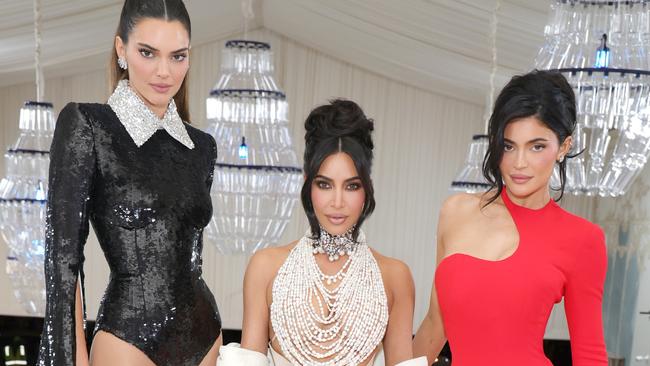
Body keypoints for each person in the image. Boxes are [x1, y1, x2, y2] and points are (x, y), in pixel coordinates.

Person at [37, 1, 222, 365]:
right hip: (128, 340)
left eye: (178, 56)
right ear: (121, 49)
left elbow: (191, 256)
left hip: (205, 336)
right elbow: (62, 258)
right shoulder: (89, 125)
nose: (164, 71)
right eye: (148, 53)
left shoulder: (202, 147)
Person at [413, 70, 608, 365]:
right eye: (508, 145)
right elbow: (434, 326)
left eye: (537, 146)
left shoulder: (583, 239)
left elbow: (589, 355)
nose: (519, 163)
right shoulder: (456, 212)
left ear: (563, 148)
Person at [217, 99, 427, 366]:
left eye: (351, 186)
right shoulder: (266, 267)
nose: (337, 202)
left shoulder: (395, 277)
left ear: (367, 189)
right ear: (308, 184)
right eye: (325, 184)